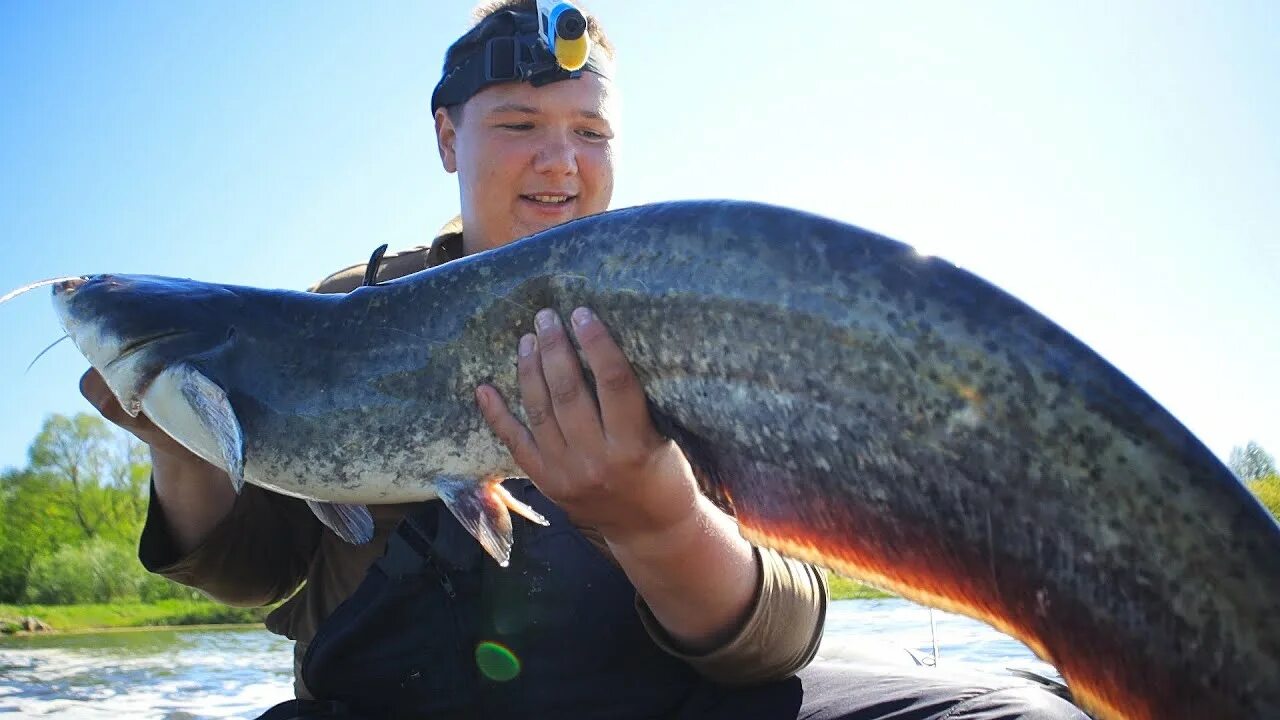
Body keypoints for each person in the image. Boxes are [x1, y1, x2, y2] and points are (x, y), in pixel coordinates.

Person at [80, 2, 1089, 719]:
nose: (558, 162)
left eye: (589, 130)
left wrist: (657, 519)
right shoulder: (339, 306)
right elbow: (273, 580)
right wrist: (175, 447)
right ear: (446, 137)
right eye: (517, 124)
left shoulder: (684, 311)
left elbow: (781, 638)